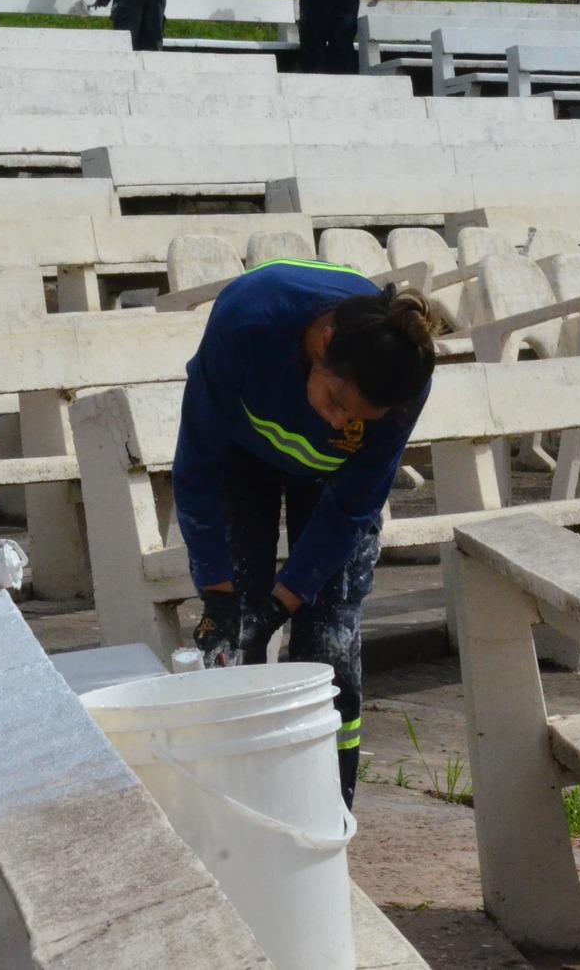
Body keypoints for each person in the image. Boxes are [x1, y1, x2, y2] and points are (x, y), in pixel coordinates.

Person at [172, 261, 437, 808]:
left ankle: (327, 808)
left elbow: (352, 509)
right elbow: (198, 466)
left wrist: (283, 601)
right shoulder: (249, 319)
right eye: (338, 401)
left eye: (357, 416)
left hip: (334, 480)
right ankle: (231, 804)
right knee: (230, 637)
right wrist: (220, 594)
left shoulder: (405, 376)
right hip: (241, 460)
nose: (339, 422)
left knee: (329, 647)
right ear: (324, 341)